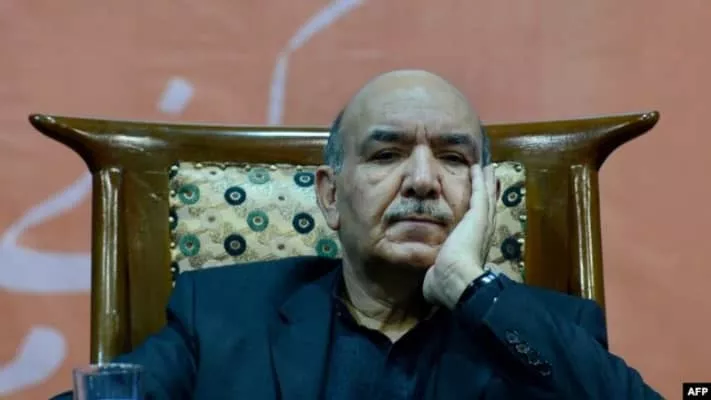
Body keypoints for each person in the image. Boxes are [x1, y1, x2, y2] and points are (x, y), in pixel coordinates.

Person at [52, 70, 661, 399]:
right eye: (386, 154)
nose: (421, 180)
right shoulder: (219, 317)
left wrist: (469, 286)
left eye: (453, 158)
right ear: (329, 195)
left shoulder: (549, 332)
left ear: (486, 195)